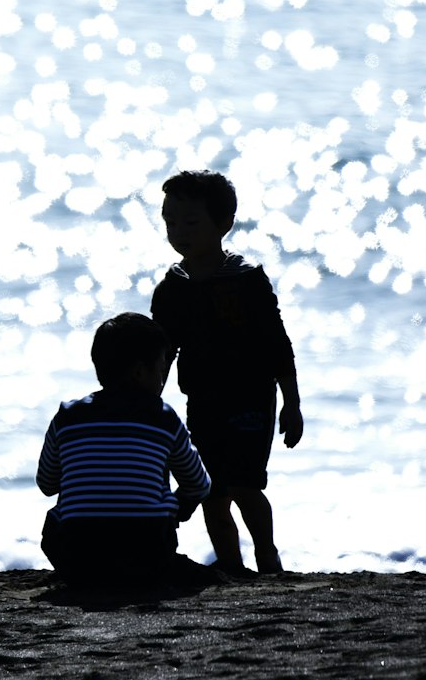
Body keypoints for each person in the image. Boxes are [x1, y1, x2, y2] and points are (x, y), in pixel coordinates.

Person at [151, 169, 304, 575]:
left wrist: (292, 402)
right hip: (202, 399)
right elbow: (162, 352)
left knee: (245, 484)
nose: (178, 232)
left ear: (224, 224)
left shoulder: (247, 279)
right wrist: (147, 402)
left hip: (251, 396)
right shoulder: (172, 287)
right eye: (170, 222)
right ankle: (231, 566)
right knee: (211, 489)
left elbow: (277, 343)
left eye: (190, 222)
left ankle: (267, 557)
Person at [36, 312, 210, 587]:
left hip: (77, 558)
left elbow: (46, 484)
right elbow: (199, 485)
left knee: (59, 517)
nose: (164, 377)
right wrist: (177, 507)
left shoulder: (67, 416)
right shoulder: (163, 418)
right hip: (148, 554)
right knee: (160, 500)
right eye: (161, 367)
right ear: (140, 371)